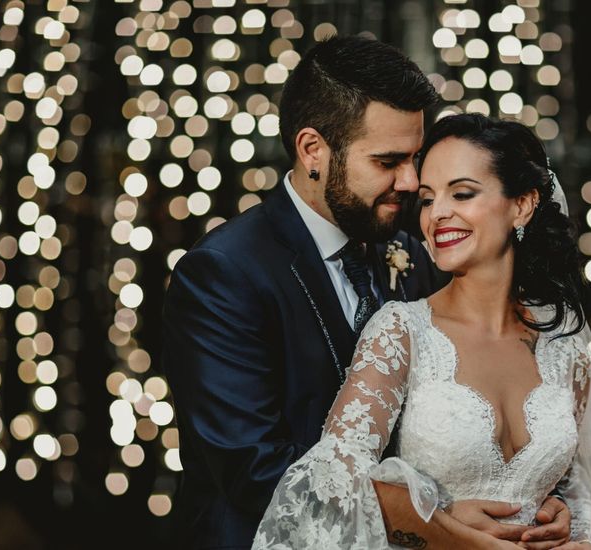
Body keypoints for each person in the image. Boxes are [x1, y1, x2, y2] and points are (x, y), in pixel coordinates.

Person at [162, 37, 570, 549]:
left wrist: (532, 493)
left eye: (415, 157)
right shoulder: (223, 274)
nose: (410, 180)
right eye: (388, 160)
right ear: (313, 150)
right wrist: (435, 520)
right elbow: (255, 472)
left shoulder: (416, 249)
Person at [252, 114, 591, 550]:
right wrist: (451, 533)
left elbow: (570, 485)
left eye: (462, 193)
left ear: (522, 205)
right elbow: (331, 484)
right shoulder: (402, 332)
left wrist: (578, 533)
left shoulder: (564, 347)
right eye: (427, 198)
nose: (437, 214)